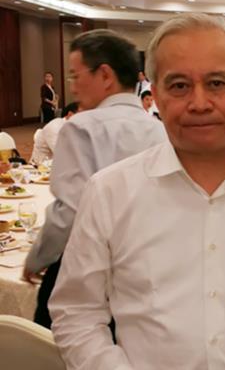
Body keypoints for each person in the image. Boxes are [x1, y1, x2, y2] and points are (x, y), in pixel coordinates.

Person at [49, 14, 225, 370]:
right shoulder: (109, 192)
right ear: (155, 96)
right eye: (179, 86)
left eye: (216, 83)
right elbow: (76, 313)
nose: (199, 103)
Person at [23, 29, 168, 329]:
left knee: (54, 344)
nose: (73, 87)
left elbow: (70, 211)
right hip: (143, 274)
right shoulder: (159, 130)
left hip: (87, 271)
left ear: (104, 75)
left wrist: (38, 257)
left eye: (76, 76)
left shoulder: (82, 127)